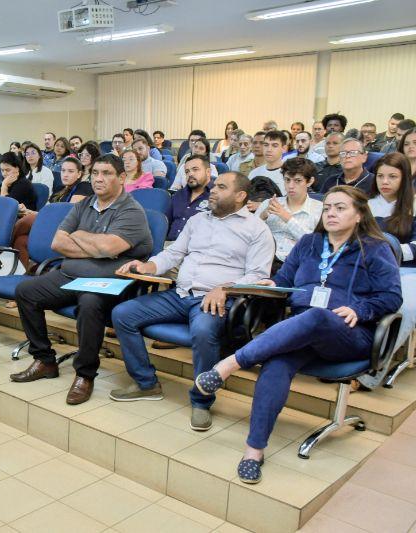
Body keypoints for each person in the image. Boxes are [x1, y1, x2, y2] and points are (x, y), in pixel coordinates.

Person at [193, 186, 402, 483]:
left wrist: (362, 308)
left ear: (359, 215)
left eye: (340, 208)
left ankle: (229, 365)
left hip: (348, 333)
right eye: (327, 207)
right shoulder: (309, 243)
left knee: (318, 316)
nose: (331, 213)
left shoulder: (374, 247)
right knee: (276, 364)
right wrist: (271, 284)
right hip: (303, 328)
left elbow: (392, 297)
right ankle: (254, 451)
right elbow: (285, 281)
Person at [109, 172, 274, 431]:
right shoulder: (198, 220)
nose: (213, 191)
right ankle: (146, 383)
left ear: (241, 196)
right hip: (181, 294)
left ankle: (201, 400)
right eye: (214, 186)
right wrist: (147, 265)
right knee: (122, 313)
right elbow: (173, 254)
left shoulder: (257, 230)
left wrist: (225, 288)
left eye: (221, 187)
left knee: (203, 329)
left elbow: (258, 276)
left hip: (214, 301)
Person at [10, 154, 152, 405]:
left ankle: (84, 374)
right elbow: (58, 242)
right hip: (70, 274)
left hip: (109, 283)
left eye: (106, 173)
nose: (98, 178)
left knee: (89, 305)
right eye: (95, 172)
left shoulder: (132, 211)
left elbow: (108, 248)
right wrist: (97, 246)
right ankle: (44, 360)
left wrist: (79, 236)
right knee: (26, 291)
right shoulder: (83, 204)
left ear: (121, 178)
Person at [368, 152, 416, 357]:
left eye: (392, 176)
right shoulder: (366, 205)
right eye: (380, 176)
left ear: (404, 178)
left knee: (405, 307)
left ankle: (372, 371)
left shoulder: (413, 204)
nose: (384, 182)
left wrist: (388, 252)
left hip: (406, 271)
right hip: (368, 266)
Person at [12, 157, 93, 268]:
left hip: (65, 228)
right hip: (50, 225)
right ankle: (22, 274)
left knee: (27, 220)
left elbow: (69, 212)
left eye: (70, 171)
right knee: (21, 241)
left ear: (79, 174)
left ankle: (2, 244)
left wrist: (33, 215)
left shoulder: (84, 186)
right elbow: (46, 211)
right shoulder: (59, 189)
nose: (65, 174)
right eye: (63, 170)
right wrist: (28, 211)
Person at [256, 158, 323, 270]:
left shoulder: (319, 209)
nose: (290, 186)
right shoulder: (269, 203)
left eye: (297, 181)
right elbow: (249, 234)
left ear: (310, 181)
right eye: (287, 180)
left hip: (298, 263)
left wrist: (287, 217)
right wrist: (262, 217)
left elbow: (315, 244)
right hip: (265, 259)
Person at [167, 155, 212, 240]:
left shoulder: (216, 196)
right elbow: (166, 224)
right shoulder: (178, 195)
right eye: (187, 171)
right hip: (170, 246)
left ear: (208, 172)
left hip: (199, 249)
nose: (190, 174)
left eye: (195, 169)